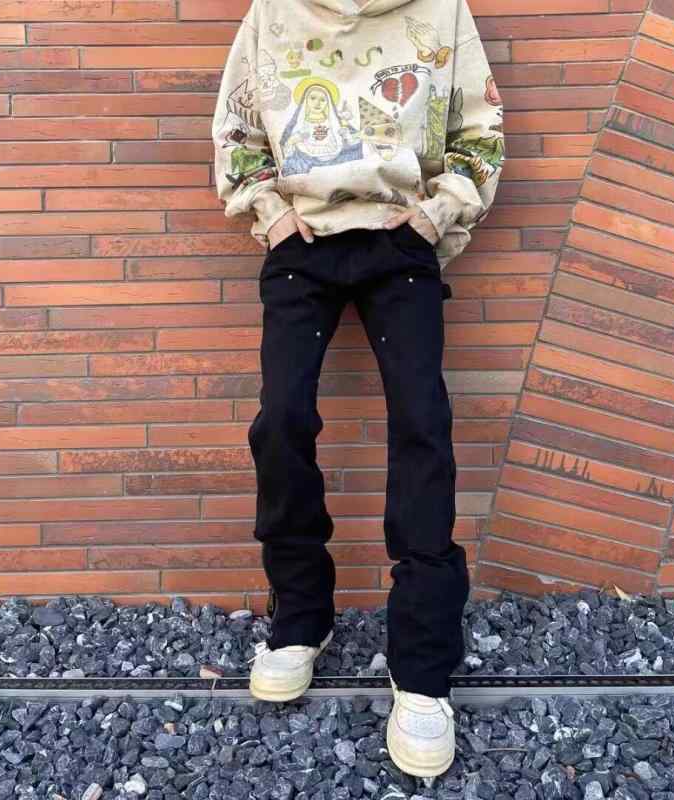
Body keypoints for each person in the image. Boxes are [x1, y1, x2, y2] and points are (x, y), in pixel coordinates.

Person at [212, 0, 504, 778]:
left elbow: (480, 131)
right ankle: (302, 617)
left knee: (422, 424)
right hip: (302, 241)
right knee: (280, 420)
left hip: (401, 240)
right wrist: (270, 214)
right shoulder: (274, 11)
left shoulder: (441, 10)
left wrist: (436, 216)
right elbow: (238, 130)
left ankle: (423, 669)